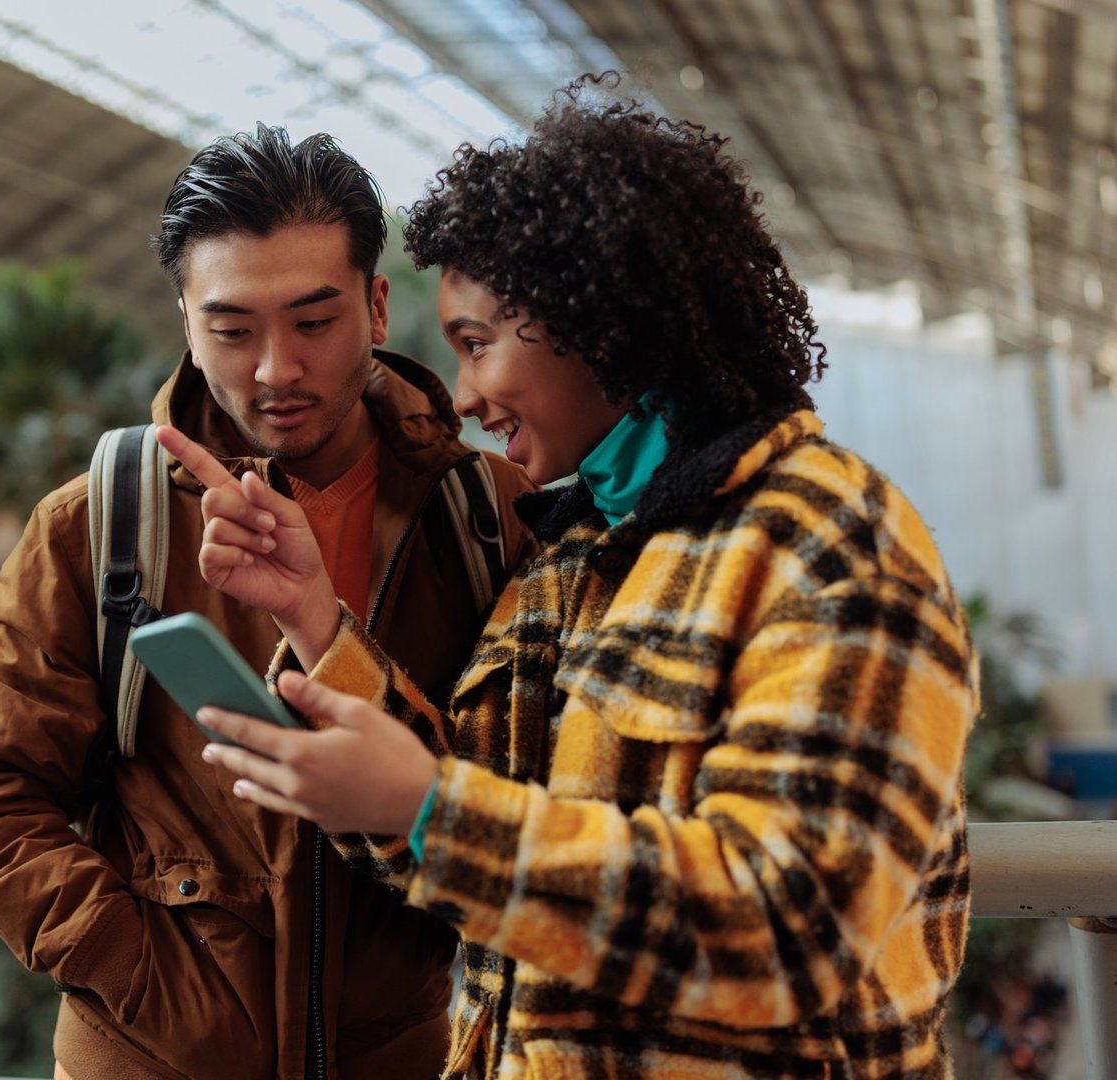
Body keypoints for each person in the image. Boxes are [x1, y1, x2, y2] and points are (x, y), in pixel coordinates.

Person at [165, 76, 980, 1078]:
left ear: (600, 321)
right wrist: (316, 624)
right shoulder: (574, 558)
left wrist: (430, 810)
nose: (459, 397)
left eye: (475, 344)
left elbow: (793, 932)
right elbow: (470, 832)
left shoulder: (826, 541)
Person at [0, 124, 536, 1080]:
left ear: (376, 306)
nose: (275, 369)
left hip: (402, 1060)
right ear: (185, 322)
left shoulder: (487, 517)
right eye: (232, 329)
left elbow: (532, 803)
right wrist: (156, 985)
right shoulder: (105, 521)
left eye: (313, 322)